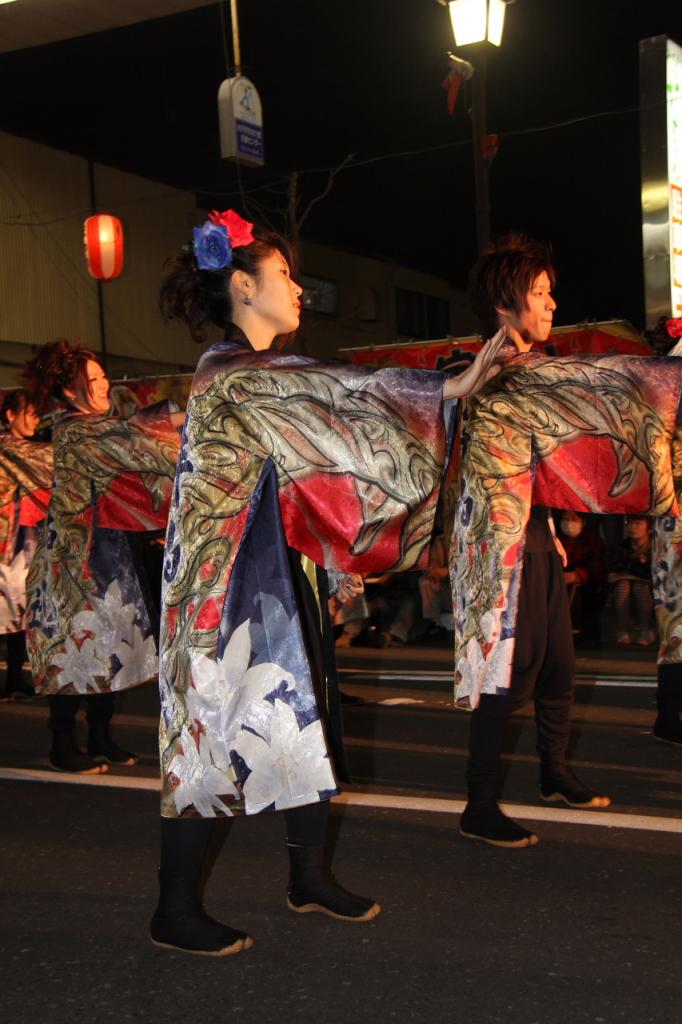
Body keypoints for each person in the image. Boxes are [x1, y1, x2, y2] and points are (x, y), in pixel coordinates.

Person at [152, 208, 504, 956]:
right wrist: (441, 389)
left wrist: (332, 557)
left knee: (296, 723)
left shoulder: (262, 380)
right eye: (284, 274)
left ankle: (306, 878)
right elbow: (341, 397)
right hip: (216, 593)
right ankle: (173, 909)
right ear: (243, 287)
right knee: (204, 739)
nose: (300, 289)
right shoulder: (233, 374)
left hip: (269, 579)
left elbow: (313, 468)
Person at [457, 233, 611, 850]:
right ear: (505, 304)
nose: (552, 304)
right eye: (539, 293)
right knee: (504, 674)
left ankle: (553, 772)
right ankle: (478, 804)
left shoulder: (528, 370)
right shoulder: (489, 371)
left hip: (536, 535)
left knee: (559, 666)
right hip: (499, 547)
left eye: (550, 292)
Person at [22, 340, 182, 774]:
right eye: (91, 380)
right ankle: (62, 742)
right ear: (69, 392)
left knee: (111, 647)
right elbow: (138, 440)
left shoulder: (100, 426)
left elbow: (132, 437)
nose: (104, 384)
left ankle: (100, 735)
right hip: (73, 559)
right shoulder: (76, 430)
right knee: (74, 650)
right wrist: (187, 421)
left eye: (101, 375)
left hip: (109, 551)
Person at [0, 389, 52, 698]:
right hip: (6, 535)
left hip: (22, 535)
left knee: (20, 609)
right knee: (8, 608)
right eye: (30, 412)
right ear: (10, 415)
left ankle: (15, 677)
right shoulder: (10, 449)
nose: (36, 418)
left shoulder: (24, 450)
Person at [557, 510, 607, 646]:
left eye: (573, 519)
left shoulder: (593, 541)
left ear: (583, 522)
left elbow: (597, 568)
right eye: (565, 519)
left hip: (588, 587)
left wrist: (577, 575)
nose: (568, 523)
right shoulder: (555, 540)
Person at [608, 515, 655, 646]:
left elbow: (650, 573)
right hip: (628, 584)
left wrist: (629, 573)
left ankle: (645, 630)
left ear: (649, 528)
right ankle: (622, 630)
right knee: (623, 586)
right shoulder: (623, 545)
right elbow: (615, 567)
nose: (632, 527)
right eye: (630, 523)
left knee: (640, 586)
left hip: (651, 587)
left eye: (638, 523)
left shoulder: (656, 546)